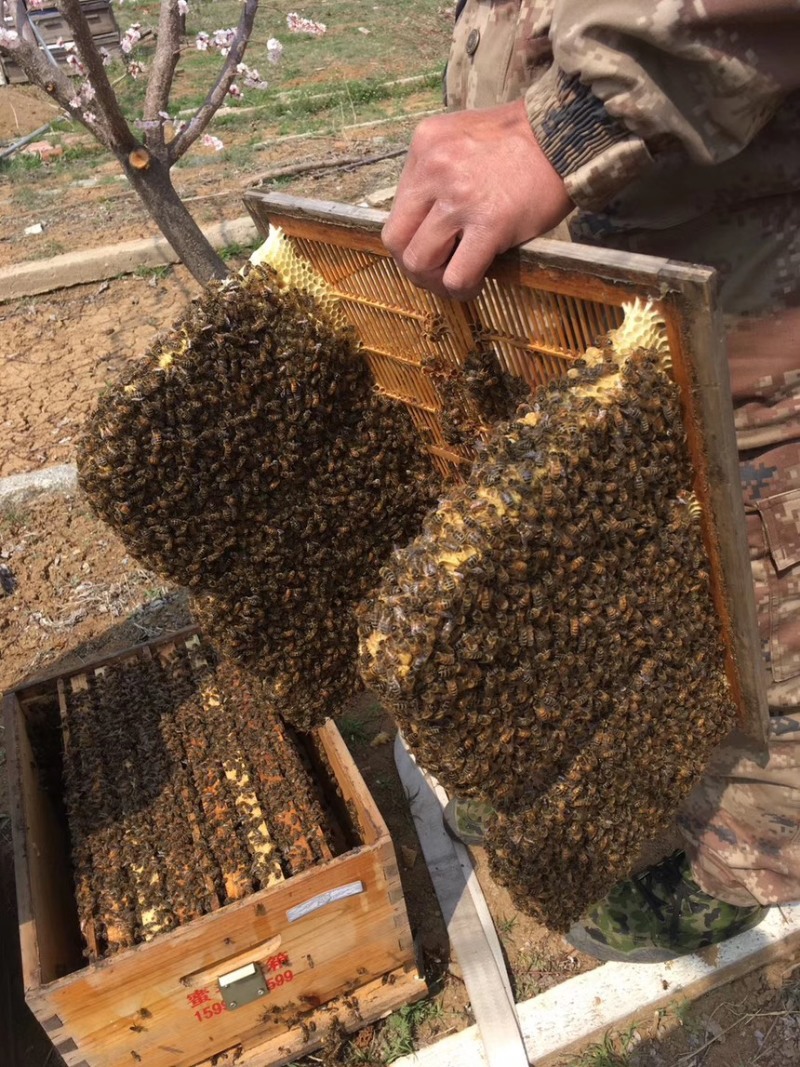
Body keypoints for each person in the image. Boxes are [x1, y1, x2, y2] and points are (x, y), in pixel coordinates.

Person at [382, 0, 800, 963]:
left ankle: (722, 881)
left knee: (760, 667)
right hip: (585, 338)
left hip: (754, 343)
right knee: (607, 614)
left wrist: (570, 122)